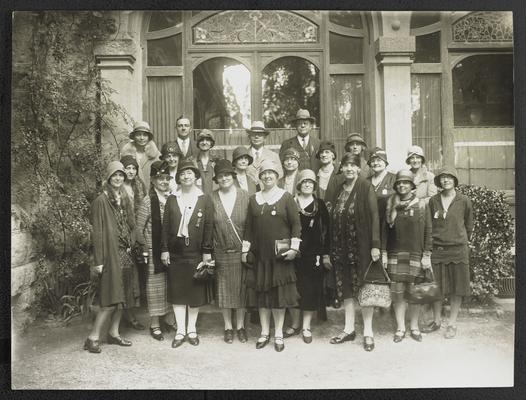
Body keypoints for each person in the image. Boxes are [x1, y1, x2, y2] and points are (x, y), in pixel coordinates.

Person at [242, 159, 301, 352]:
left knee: (278, 297)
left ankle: (278, 334)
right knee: (262, 297)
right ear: (260, 177)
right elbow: (248, 228)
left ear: (277, 176)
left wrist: (293, 248)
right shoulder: (253, 199)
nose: (267, 176)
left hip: (280, 255)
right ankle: (264, 333)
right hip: (260, 256)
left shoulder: (286, 197)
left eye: (271, 173)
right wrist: (245, 250)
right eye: (264, 174)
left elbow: (296, 225)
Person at [328, 152, 381, 352]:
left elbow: (375, 217)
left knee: (365, 289)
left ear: (359, 168)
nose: (349, 169)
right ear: (341, 168)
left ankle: (368, 332)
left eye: (353, 165)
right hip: (341, 249)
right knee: (347, 289)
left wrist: (375, 245)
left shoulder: (366, 187)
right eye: (346, 165)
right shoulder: (338, 190)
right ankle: (349, 329)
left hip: (363, 248)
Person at [84, 161, 137, 353]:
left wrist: (131, 244)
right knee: (109, 299)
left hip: (125, 254)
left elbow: (131, 225)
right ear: (108, 177)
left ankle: (113, 334)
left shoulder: (124, 197)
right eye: (115, 175)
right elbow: (97, 234)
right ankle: (93, 337)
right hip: (109, 255)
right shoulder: (100, 201)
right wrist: (98, 261)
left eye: (121, 175)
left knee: (123, 299)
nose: (118, 178)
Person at [160, 159, 214, 348]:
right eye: (182, 174)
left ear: (196, 176)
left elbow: (208, 226)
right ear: (179, 178)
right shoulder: (172, 199)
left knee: (194, 292)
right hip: (176, 253)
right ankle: (180, 330)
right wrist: (164, 249)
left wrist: (207, 251)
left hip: (196, 253)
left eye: (190, 173)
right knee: (178, 291)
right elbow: (165, 226)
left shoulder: (204, 199)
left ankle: (191, 329)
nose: (186, 176)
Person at [423, 166, 473, 339]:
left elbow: (468, 224)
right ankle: (436, 321)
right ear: (438, 181)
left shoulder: (464, 200)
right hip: (438, 249)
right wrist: (428, 251)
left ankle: (452, 324)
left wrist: (460, 239)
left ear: (454, 180)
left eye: (449, 178)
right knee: (436, 288)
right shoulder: (433, 201)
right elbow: (428, 226)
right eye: (442, 178)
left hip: (458, 250)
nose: (445, 180)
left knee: (457, 289)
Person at [382, 170, 432, 343]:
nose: (402, 186)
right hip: (395, 253)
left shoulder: (422, 205)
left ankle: (414, 327)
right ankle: (400, 328)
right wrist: (383, 252)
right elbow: (385, 231)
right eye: (399, 183)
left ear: (412, 186)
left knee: (415, 294)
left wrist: (426, 254)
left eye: (406, 183)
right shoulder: (390, 204)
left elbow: (428, 231)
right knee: (398, 294)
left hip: (415, 254)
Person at [283, 169, 330, 344]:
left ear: (314, 186)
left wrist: (325, 254)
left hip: (313, 255)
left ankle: (306, 326)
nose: (308, 185)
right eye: (304, 182)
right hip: (294, 254)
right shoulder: (290, 203)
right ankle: (294, 324)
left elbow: (327, 231)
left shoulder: (320, 205)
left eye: (311, 182)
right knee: (294, 290)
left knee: (310, 290)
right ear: (299, 185)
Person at [135, 161, 177, 341]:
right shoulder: (147, 201)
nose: (164, 181)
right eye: (160, 178)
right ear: (152, 181)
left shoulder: (172, 199)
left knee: (170, 286)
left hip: (171, 250)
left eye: (167, 178)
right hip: (154, 252)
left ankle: (168, 319)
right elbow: (138, 228)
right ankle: (154, 324)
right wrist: (146, 249)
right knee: (155, 288)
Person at [210, 159, 251, 344]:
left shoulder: (245, 196)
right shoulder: (210, 198)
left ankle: (241, 326)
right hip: (221, 251)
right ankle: (228, 326)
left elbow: (251, 225)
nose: (224, 178)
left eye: (227, 175)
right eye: (220, 176)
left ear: (233, 176)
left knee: (241, 291)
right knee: (224, 290)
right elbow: (208, 227)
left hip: (241, 251)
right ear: (216, 179)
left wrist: (248, 249)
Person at [119, 154, 148, 330]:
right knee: (124, 277)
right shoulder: (118, 188)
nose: (130, 171)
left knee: (136, 277)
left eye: (133, 168)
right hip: (122, 235)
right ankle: (124, 315)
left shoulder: (139, 186)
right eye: (127, 168)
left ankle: (130, 314)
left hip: (137, 231)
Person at [121, 121, 161, 190]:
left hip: (151, 193)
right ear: (133, 137)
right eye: (138, 135)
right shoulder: (125, 153)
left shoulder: (156, 155)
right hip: (131, 192)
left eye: (145, 135)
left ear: (148, 137)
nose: (142, 138)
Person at [367, 147, 396, 240]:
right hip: (370, 226)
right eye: (373, 161)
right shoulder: (366, 182)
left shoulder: (394, 179)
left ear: (385, 162)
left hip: (389, 226)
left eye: (379, 160)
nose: (375, 163)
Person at [195, 129, 218, 194]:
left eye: (207, 140)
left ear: (211, 143)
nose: (204, 142)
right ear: (198, 143)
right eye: (201, 140)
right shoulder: (192, 161)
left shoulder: (217, 161)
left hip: (214, 198)